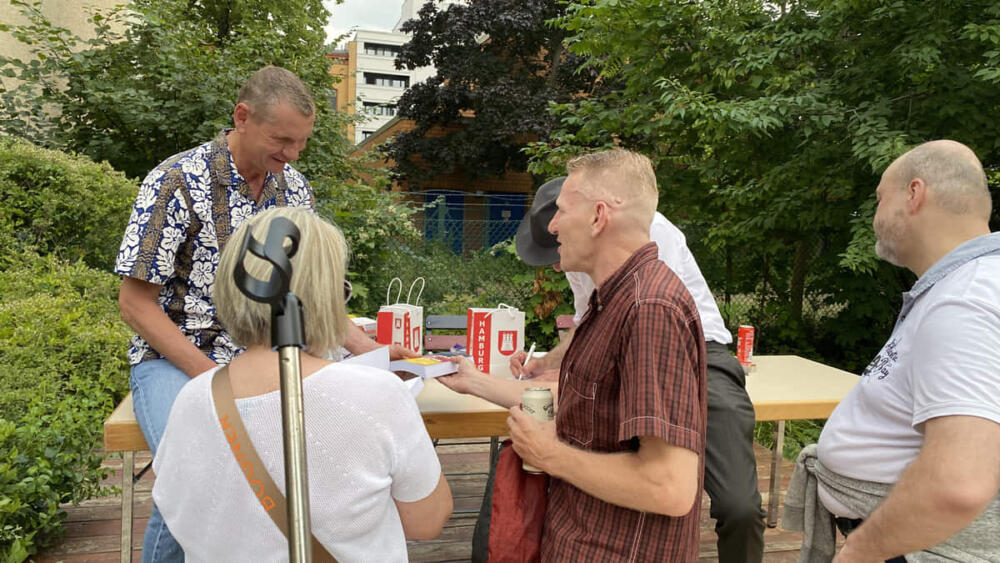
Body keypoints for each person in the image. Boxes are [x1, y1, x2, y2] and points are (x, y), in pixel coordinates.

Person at [113, 65, 409, 562]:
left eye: (301, 143)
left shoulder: (294, 189)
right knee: (192, 474)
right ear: (242, 117)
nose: (292, 155)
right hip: (175, 359)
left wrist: (371, 351)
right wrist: (216, 384)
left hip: (270, 355)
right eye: (282, 140)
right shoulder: (174, 181)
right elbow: (135, 304)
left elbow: (311, 294)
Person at [440, 149, 708, 560]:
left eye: (562, 210)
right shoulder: (611, 302)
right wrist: (472, 380)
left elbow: (668, 487)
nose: (552, 226)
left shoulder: (649, 307)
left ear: (598, 217)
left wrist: (549, 454)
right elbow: (581, 403)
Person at [151, 207, 453, 561]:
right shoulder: (377, 395)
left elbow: (174, 508)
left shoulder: (192, 398)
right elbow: (427, 521)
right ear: (324, 298)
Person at [511, 176, 766, 562]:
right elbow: (588, 320)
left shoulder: (647, 233)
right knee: (609, 475)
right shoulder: (578, 249)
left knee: (738, 505)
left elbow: (655, 320)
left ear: (593, 218)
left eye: (558, 238)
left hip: (700, 353)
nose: (557, 262)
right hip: (623, 352)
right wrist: (549, 362)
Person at [787, 140, 1000, 561]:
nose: (874, 217)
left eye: (880, 199)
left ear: (914, 194)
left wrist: (861, 551)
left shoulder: (964, 301)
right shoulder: (965, 286)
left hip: (908, 549)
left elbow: (958, 483)